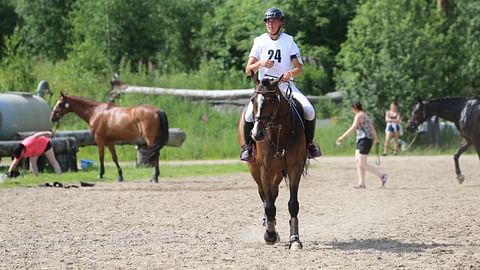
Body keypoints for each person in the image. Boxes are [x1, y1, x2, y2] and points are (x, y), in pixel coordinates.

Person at [240, 7, 321, 161]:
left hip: (285, 85)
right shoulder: (259, 41)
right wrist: (260, 63)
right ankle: (248, 148)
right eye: (268, 21)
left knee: (309, 110)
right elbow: (247, 69)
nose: (270, 24)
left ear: (281, 23)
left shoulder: (289, 41)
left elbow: (299, 68)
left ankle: (309, 146)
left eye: (273, 21)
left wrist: (289, 74)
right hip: (265, 89)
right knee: (249, 114)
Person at [336, 101, 388, 189]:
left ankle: (382, 176)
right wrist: (376, 138)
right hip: (361, 140)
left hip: (365, 140)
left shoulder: (359, 116)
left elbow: (353, 127)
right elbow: (372, 128)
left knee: (362, 164)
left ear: (354, 108)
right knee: (357, 161)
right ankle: (362, 183)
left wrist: (342, 137)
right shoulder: (365, 115)